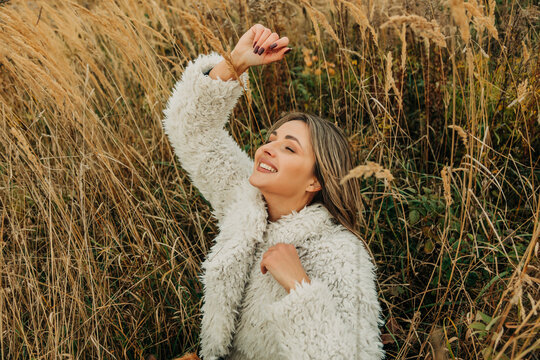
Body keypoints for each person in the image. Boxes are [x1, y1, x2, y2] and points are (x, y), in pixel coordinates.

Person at [163, 23, 385, 360]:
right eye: (272, 139)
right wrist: (234, 64)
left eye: (290, 149)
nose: (268, 148)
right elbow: (189, 128)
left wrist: (300, 288)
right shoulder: (244, 205)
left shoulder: (339, 255)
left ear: (315, 181)